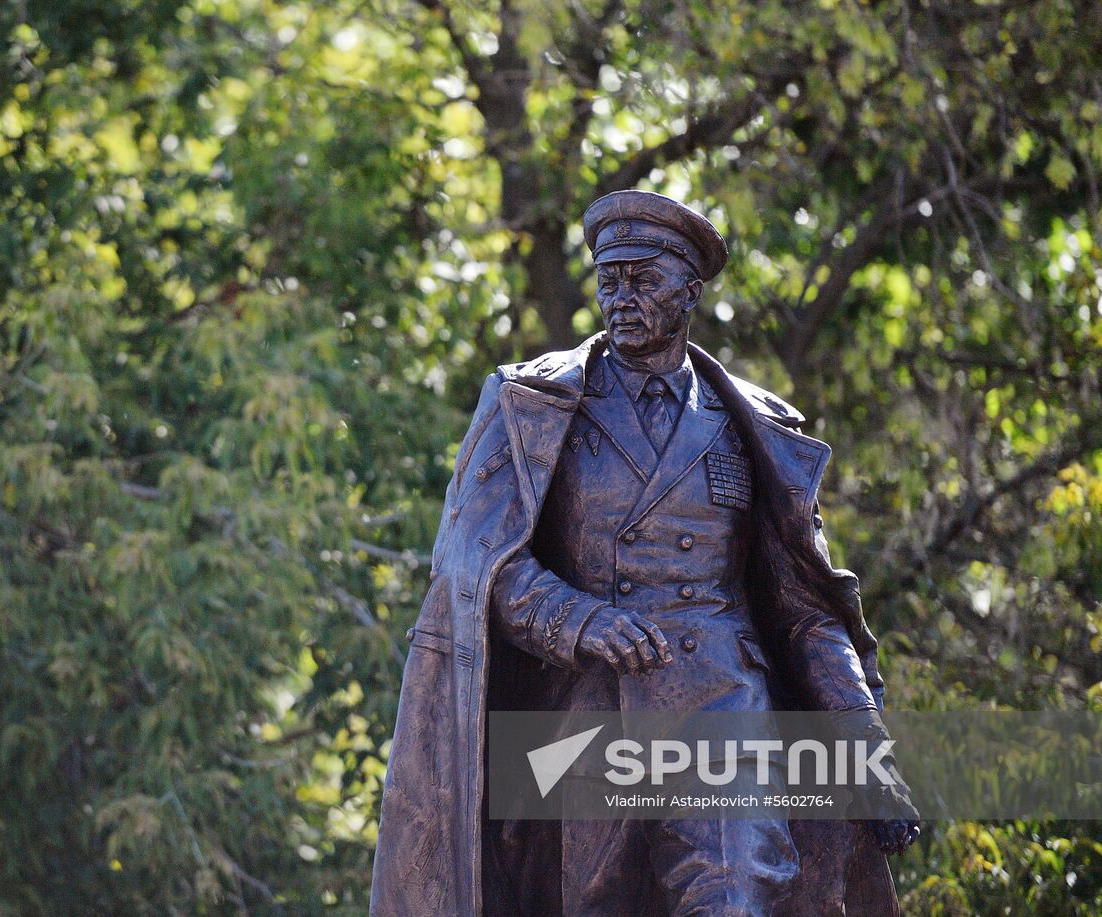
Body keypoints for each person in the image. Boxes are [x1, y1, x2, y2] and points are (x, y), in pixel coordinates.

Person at [370, 190, 919, 916]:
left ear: (690, 290)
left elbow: (806, 611)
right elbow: (473, 562)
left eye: (643, 280)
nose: (621, 298)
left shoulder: (749, 425)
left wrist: (865, 745)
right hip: (588, 712)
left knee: (737, 894)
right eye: (608, 279)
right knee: (597, 901)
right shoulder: (529, 404)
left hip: (723, 703)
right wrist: (578, 620)